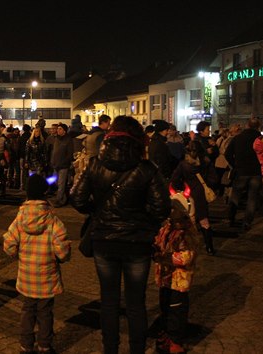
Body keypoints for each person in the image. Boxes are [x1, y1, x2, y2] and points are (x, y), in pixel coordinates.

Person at [70, 115, 170, 354]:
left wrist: (98, 211)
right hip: (137, 243)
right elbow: (161, 209)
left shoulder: (95, 164)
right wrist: (142, 221)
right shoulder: (147, 168)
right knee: (136, 304)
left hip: (105, 240)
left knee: (109, 301)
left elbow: (78, 199)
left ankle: (110, 349)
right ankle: (136, 349)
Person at [3, 174, 71, 354]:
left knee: (27, 311)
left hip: (27, 278)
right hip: (47, 279)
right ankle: (44, 345)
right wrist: (61, 258)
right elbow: (63, 250)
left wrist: (16, 254)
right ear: (45, 194)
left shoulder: (20, 218)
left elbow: (9, 244)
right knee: (45, 313)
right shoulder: (52, 220)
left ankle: (25, 345)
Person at [152, 197, 199, 354]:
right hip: (165, 277)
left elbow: (188, 256)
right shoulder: (167, 227)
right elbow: (159, 240)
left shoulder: (187, 233)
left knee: (176, 311)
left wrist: (166, 258)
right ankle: (165, 336)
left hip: (179, 280)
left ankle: (175, 340)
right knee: (165, 307)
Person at [171, 140, 218, 255]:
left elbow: (175, 180)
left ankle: (186, 247)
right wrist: (205, 185)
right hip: (201, 195)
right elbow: (214, 179)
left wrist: (183, 187)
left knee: (187, 222)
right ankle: (209, 247)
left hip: (188, 195)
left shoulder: (183, 164)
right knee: (204, 221)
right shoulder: (206, 163)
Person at [224, 118, 262, 230]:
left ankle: (231, 218)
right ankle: (247, 222)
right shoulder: (261, 139)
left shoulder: (238, 138)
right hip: (256, 171)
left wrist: (234, 165)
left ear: (247, 126)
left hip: (241, 171)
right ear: (258, 127)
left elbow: (227, 154)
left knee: (235, 195)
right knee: (252, 197)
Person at [49, 123, 73, 207]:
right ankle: (63, 198)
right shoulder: (56, 139)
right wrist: (52, 162)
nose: (57, 130)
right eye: (58, 129)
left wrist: (65, 162)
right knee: (57, 183)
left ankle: (59, 200)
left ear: (64, 131)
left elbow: (69, 154)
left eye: (60, 129)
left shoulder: (68, 140)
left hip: (63, 166)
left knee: (61, 184)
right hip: (56, 165)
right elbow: (54, 152)